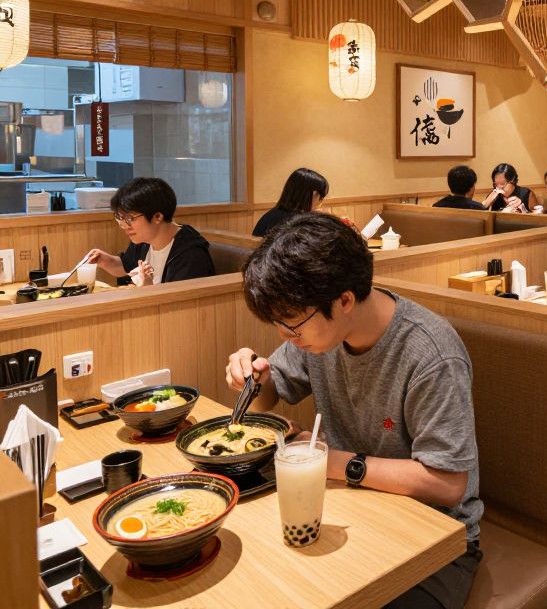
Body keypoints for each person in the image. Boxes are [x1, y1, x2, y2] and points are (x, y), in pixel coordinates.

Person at [225, 213, 483, 608]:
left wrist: (331, 462)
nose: (285, 336)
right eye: (278, 324)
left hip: (437, 543)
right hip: (352, 509)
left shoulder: (430, 354)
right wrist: (252, 379)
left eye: (292, 323)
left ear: (345, 299)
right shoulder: (316, 336)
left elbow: (448, 484)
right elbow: (269, 396)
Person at [86, 177, 214, 285]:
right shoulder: (144, 241)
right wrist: (103, 260)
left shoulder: (190, 255)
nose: (123, 225)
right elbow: (125, 266)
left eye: (130, 218)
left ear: (157, 217)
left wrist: (148, 289)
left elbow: (178, 307)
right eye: (120, 217)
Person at [253, 168, 329, 236]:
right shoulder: (300, 223)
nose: (321, 201)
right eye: (321, 196)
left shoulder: (271, 215)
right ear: (313, 195)